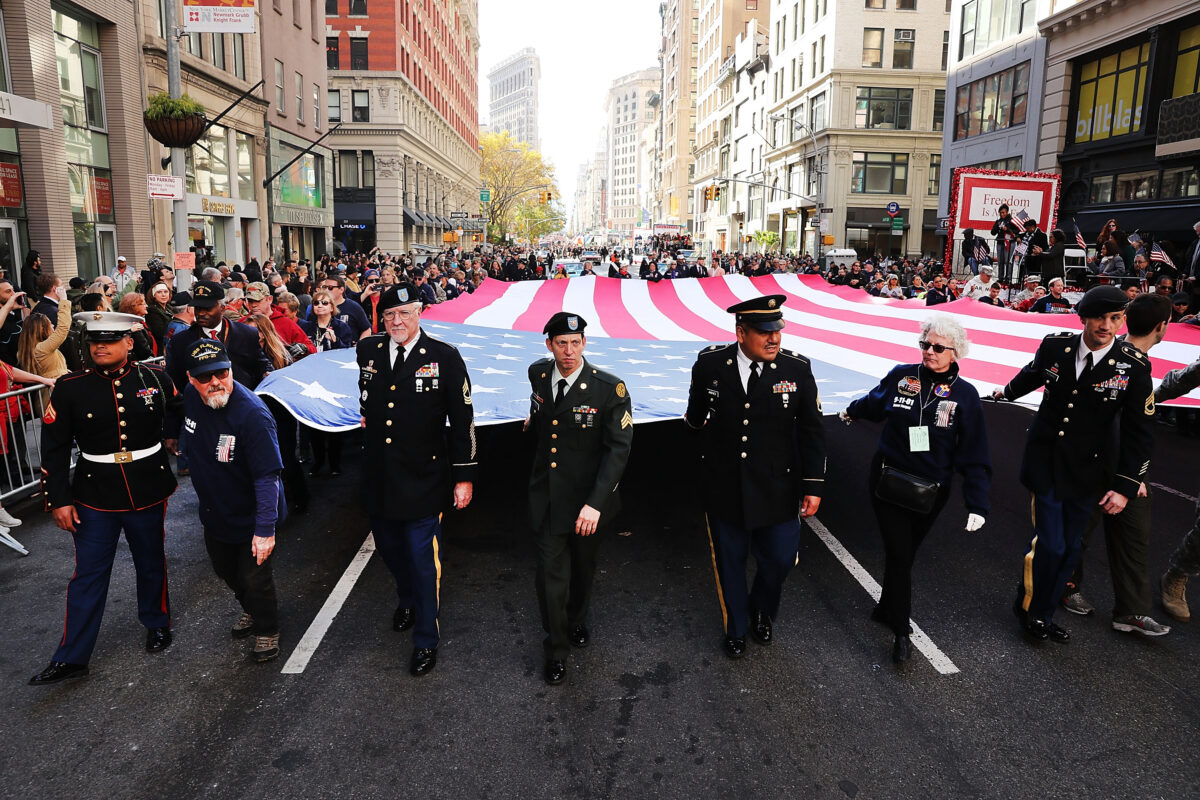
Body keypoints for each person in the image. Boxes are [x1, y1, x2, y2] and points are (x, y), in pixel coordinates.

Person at [992, 285, 1154, 644]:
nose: (1107, 325)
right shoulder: (1056, 347)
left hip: (1090, 471)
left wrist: (1125, 486)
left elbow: (1139, 432)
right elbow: (1034, 373)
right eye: (1099, 317)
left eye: (1115, 318)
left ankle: (1043, 613)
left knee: (1069, 548)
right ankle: (1032, 611)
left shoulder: (1133, 366)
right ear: (1083, 318)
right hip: (1046, 463)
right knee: (1050, 545)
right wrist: (1006, 392)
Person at [29, 312, 181, 685]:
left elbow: (179, 410)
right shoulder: (69, 387)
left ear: (129, 343)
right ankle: (72, 655)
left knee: (150, 562)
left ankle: (157, 623)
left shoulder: (154, 379)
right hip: (93, 493)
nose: (101, 346)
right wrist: (58, 500)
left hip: (146, 487)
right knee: (88, 575)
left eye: (111, 339)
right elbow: (54, 447)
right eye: (95, 340)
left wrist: (175, 438)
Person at [841, 315, 990, 663]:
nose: (929, 351)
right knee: (900, 555)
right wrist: (852, 411)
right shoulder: (901, 376)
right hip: (888, 479)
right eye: (925, 344)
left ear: (956, 352)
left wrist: (978, 504)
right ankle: (901, 632)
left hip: (931, 492)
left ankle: (884, 607)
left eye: (938, 347)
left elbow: (975, 453)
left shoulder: (966, 396)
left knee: (904, 554)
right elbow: (875, 402)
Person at [683, 295, 826, 659]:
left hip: (777, 485)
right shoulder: (710, 365)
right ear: (741, 332)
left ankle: (762, 607)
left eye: (777, 330)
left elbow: (812, 430)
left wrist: (813, 484)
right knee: (730, 561)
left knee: (779, 559)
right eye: (764, 332)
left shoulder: (796, 370)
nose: (774, 339)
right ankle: (737, 626)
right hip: (725, 484)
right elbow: (695, 418)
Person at [356, 282, 477, 677]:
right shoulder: (368, 351)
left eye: (404, 313)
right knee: (390, 550)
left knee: (424, 562)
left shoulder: (444, 357)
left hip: (424, 477)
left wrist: (464, 476)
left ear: (419, 313)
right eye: (389, 314)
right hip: (380, 476)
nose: (396, 321)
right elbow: (368, 399)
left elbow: (463, 422)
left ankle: (426, 639)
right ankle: (405, 598)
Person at [525, 312, 633, 686]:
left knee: (583, 570)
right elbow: (542, 413)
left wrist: (596, 504)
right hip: (548, 500)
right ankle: (556, 650)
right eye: (561, 343)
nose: (569, 351)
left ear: (584, 343)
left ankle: (578, 618)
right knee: (550, 578)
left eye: (575, 343)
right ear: (549, 345)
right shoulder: (538, 373)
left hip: (589, 503)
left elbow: (617, 452)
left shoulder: (609, 389)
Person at [1057, 293, 1174, 635]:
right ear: (1162, 327)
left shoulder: (1132, 359)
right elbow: (1108, 423)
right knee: (1076, 533)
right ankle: (1065, 587)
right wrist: (1126, 479)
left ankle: (1131, 611)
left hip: (1124, 469)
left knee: (1133, 538)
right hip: (1099, 466)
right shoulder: (1116, 359)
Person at [181, 339, 286, 662]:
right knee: (226, 571)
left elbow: (267, 476)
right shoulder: (191, 398)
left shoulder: (253, 415)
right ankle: (251, 611)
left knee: (256, 579)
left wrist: (265, 530)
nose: (215, 382)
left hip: (252, 516)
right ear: (190, 378)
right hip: (216, 513)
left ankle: (267, 629)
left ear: (230, 370)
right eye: (205, 377)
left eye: (221, 373)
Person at [165, 281, 271, 392]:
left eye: (207, 308)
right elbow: (175, 379)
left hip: (240, 402)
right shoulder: (180, 342)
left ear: (222, 308)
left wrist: (266, 374)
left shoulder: (246, 334)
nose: (200, 313)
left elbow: (262, 365)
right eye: (197, 308)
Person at [300, 289, 353, 476]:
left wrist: (336, 341)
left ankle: (334, 464)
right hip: (311, 378)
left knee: (333, 423)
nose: (320, 306)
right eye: (316, 303)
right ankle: (318, 461)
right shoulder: (306, 327)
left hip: (333, 379)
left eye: (324, 303)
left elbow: (348, 353)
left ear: (332, 307)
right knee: (313, 422)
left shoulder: (340, 327)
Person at [17, 282, 72, 406]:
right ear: (42, 329)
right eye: (50, 324)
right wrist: (63, 300)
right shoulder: (42, 349)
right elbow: (63, 329)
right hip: (55, 395)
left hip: (48, 395)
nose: (53, 326)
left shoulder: (31, 349)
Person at [145, 283, 173, 353]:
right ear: (154, 295)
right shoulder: (152, 310)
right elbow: (160, 333)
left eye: (166, 292)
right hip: (162, 348)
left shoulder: (170, 307)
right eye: (159, 292)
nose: (163, 295)